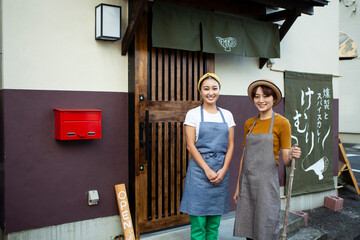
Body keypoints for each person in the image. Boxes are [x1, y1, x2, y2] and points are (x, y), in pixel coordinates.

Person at [233, 79, 302, 240]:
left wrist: (292, 155)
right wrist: (238, 187)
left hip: (266, 185)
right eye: (257, 97)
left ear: (273, 99)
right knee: (249, 229)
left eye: (265, 96)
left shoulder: (282, 123)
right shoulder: (249, 123)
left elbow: (285, 160)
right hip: (248, 183)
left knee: (265, 228)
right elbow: (244, 156)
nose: (261, 100)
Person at [179, 73, 235, 240]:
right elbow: (190, 145)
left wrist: (223, 170)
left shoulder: (227, 115)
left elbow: (231, 145)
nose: (211, 92)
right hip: (199, 173)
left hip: (221, 172)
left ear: (219, 90)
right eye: (206, 89)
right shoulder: (193, 114)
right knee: (198, 225)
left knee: (214, 224)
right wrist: (207, 170)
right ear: (200, 92)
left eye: (214, 88)